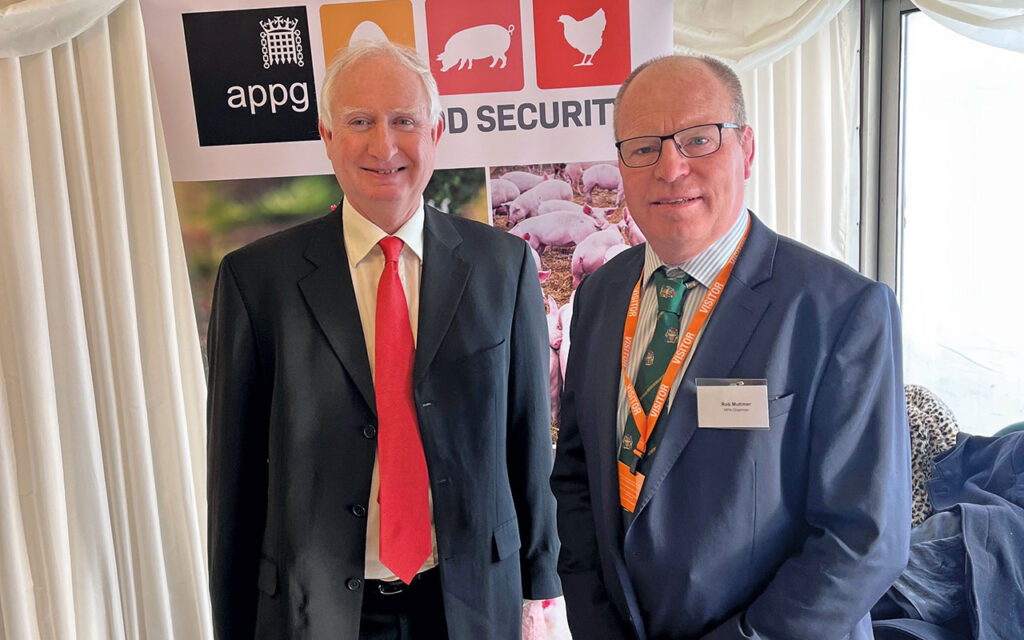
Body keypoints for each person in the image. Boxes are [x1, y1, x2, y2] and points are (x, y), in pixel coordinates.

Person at [207, 41, 560, 640]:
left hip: (470, 602)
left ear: (437, 132)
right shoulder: (256, 280)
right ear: (325, 135)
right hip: (315, 610)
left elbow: (528, 439)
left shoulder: (506, 267)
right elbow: (233, 479)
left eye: (404, 121)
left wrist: (542, 587)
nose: (384, 146)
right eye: (360, 122)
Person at [550, 54, 911, 640]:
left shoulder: (841, 310)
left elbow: (865, 540)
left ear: (746, 149)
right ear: (620, 165)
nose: (671, 167)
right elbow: (576, 478)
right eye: (644, 147)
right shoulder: (600, 296)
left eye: (698, 139)